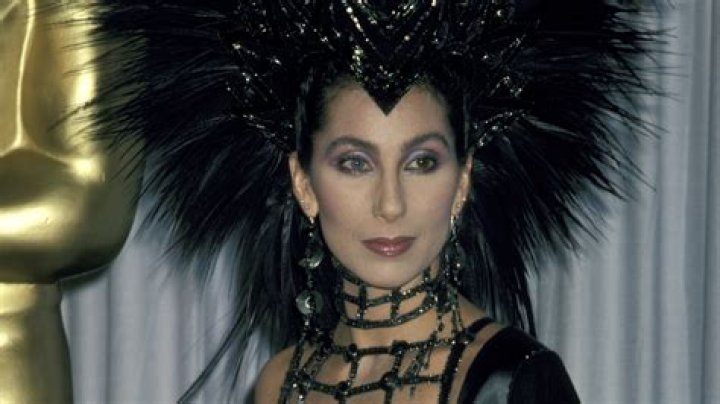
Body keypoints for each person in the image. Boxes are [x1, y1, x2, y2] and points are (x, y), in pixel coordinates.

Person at [93, 0, 653, 402]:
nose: (390, 204)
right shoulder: (280, 384)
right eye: (355, 163)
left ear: (462, 182)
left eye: (421, 162)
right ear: (304, 183)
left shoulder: (511, 381)